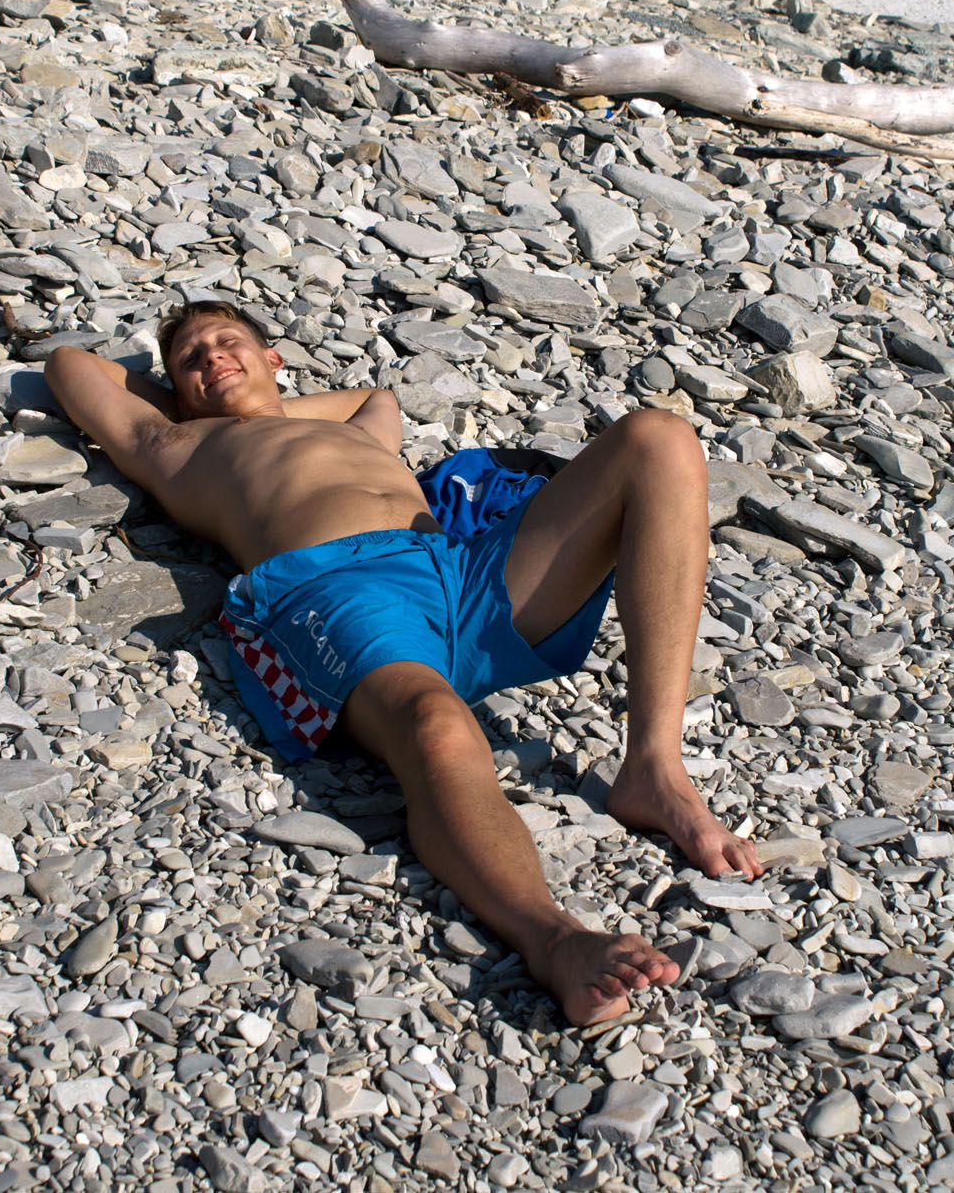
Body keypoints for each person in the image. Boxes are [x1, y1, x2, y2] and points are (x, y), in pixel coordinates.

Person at [44, 300, 761, 1027]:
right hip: (335, 591)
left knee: (659, 436)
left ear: (275, 358)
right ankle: (554, 939)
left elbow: (376, 397)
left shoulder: (353, 425)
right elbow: (69, 365)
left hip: (457, 568)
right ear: (172, 391)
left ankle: (654, 768)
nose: (210, 358)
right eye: (190, 360)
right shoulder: (175, 444)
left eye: (228, 343)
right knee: (435, 727)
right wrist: (206, 406)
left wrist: (266, 404)